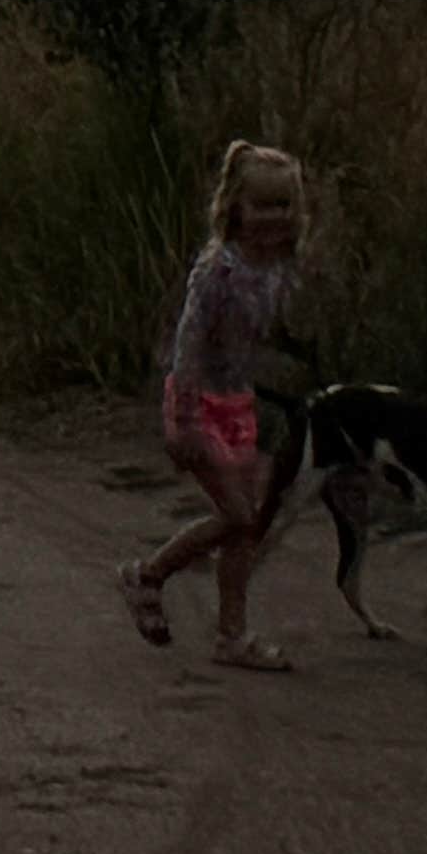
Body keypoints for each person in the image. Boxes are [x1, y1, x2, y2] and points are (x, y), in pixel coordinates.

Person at [122, 138, 310, 670]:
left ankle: (232, 635)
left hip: (238, 405)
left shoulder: (277, 267)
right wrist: (182, 418)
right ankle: (148, 574)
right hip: (197, 403)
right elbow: (190, 342)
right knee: (237, 514)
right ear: (234, 206)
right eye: (262, 204)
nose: (273, 217)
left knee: (244, 529)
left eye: (284, 204)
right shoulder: (217, 271)